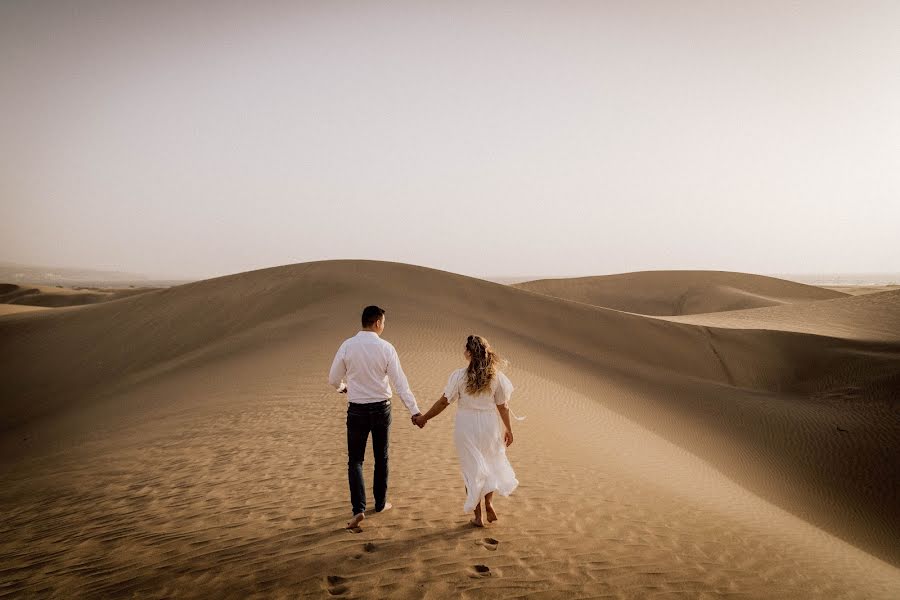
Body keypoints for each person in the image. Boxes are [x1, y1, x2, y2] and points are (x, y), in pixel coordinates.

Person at [328, 305, 422, 529]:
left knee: (356, 461)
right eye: (383, 323)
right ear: (377, 323)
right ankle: (380, 504)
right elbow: (400, 383)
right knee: (382, 458)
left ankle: (358, 509)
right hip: (381, 409)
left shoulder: (347, 346)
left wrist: (343, 388)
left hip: (357, 410)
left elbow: (333, 378)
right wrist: (414, 410)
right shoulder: (386, 348)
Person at [413, 335, 519, 527]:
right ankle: (489, 503)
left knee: (471, 469)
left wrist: (424, 418)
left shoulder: (459, 376)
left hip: (466, 425)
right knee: (489, 464)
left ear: (469, 353)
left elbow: (444, 401)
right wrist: (509, 429)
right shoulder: (497, 377)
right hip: (489, 424)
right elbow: (503, 406)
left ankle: (478, 517)